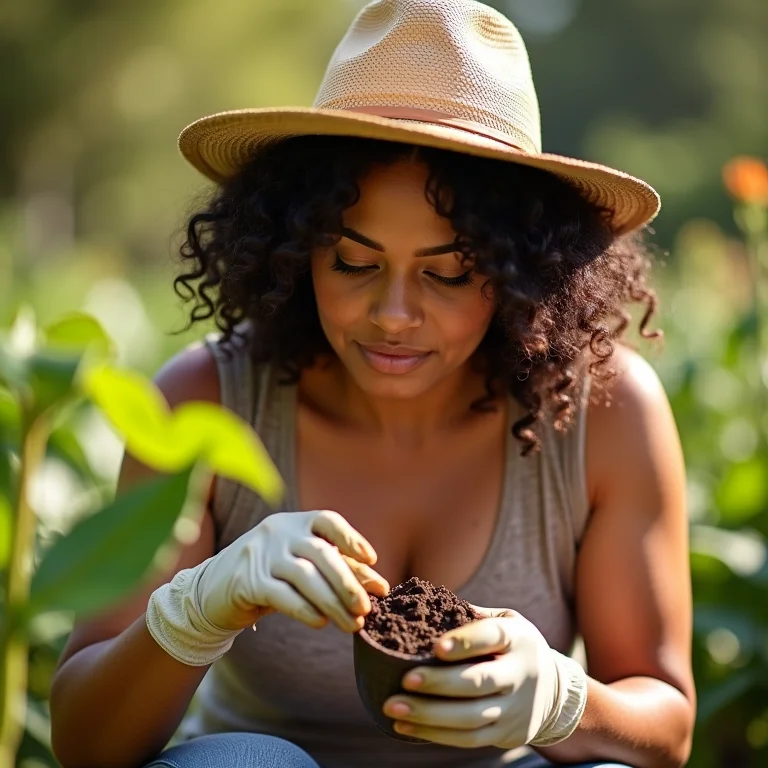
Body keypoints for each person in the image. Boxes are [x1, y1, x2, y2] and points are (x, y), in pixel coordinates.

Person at [49, 1, 695, 767]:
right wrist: (193, 614)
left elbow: (666, 724)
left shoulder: (604, 412)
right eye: (353, 263)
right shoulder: (208, 402)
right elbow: (84, 740)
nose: (394, 316)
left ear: (524, 272)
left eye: (450, 272)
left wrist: (562, 701)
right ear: (291, 250)